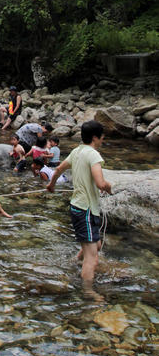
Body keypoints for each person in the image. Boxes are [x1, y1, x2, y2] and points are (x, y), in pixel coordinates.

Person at [47, 120, 112, 295]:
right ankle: (88, 292)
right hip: (86, 210)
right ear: (95, 138)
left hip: (77, 207)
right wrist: (108, 186)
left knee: (95, 244)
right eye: (101, 137)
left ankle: (75, 261)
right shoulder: (94, 155)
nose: (102, 140)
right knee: (93, 259)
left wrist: (51, 185)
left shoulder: (76, 151)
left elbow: (59, 168)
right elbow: (100, 183)